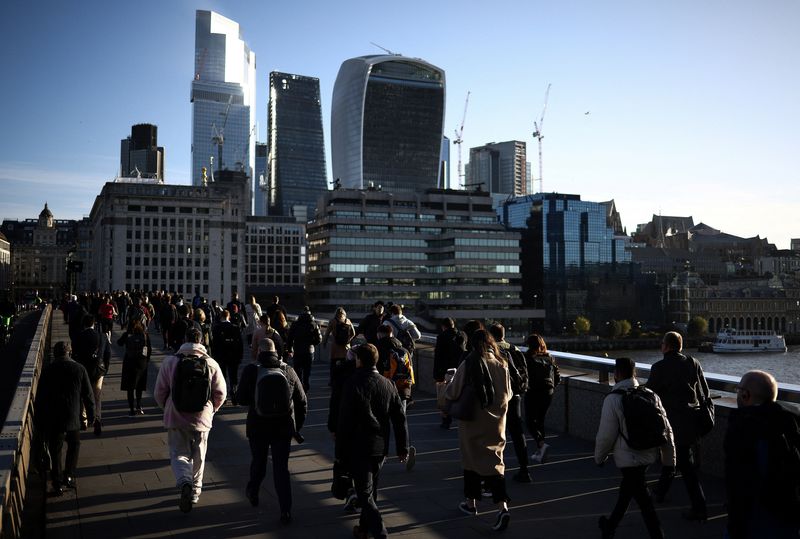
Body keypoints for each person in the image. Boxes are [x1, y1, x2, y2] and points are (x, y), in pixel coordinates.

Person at [595, 357, 674, 539]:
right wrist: (670, 460)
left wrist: (599, 458)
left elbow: (606, 435)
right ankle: (610, 526)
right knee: (629, 491)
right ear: (634, 373)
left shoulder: (613, 399)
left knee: (643, 500)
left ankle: (657, 535)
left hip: (628, 458)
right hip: (648, 452)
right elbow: (666, 428)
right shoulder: (650, 395)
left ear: (617, 374)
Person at [336, 344, 409, 539]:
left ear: (359, 360)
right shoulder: (388, 384)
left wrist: (340, 452)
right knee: (370, 489)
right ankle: (363, 529)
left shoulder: (352, 383)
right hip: (380, 447)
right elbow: (399, 419)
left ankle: (380, 531)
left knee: (364, 494)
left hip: (358, 446)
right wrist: (402, 447)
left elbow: (344, 421)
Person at [444, 329, 512, 531]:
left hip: (472, 421)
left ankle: (471, 503)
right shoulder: (502, 364)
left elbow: (453, 392)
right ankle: (502, 508)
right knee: (495, 464)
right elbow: (508, 394)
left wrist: (448, 381)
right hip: (497, 422)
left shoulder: (470, 362)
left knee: (470, 462)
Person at [154, 327, 226, 512]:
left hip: (176, 416)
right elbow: (221, 393)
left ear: (184, 339)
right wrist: (212, 409)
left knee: (178, 453)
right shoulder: (211, 363)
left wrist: (168, 407)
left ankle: (184, 481)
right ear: (201, 340)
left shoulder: (170, 362)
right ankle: (195, 490)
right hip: (202, 417)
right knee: (199, 455)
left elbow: (159, 391)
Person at [236, 338, 307, 525]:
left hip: (258, 426)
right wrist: (296, 427)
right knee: (281, 469)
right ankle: (286, 510)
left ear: (259, 350)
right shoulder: (288, 370)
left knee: (258, 462)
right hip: (283, 428)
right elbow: (302, 401)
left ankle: (253, 491)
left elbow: (241, 399)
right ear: (276, 350)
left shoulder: (252, 370)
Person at [724, 370, 800, 539]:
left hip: (758, 517)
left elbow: (739, 484)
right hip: (789, 514)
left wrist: (735, 526)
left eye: (738, 390)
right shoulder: (789, 423)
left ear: (746, 395)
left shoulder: (743, 429)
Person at [646, 331, 709, 521]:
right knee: (676, 458)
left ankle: (700, 507)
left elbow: (650, 394)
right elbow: (704, 391)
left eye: (662, 343)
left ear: (666, 346)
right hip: (691, 420)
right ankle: (660, 492)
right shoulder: (693, 362)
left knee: (684, 465)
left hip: (672, 422)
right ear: (680, 346)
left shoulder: (659, 367)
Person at [35, 341, 95, 495]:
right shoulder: (79, 369)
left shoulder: (48, 370)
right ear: (69, 352)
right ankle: (69, 476)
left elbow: (40, 398)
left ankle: (57, 482)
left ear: (55, 354)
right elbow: (88, 395)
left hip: (54, 417)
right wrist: (91, 415)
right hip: (72, 416)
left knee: (56, 450)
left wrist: (39, 420)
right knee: (74, 445)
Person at [489, 323, 531, 483]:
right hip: (516, 395)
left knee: (495, 433)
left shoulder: (491, 351)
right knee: (517, 431)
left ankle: (495, 469)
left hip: (498, 396)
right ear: (503, 334)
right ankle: (524, 468)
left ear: (491, 335)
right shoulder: (515, 349)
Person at [524, 334, 560, 464]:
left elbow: (523, 375)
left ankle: (541, 444)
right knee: (540, 420)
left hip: (533, 391)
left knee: (529, 420)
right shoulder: (549, 357)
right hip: (547, 392)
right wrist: (551, 388)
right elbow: (557, 376)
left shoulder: (527, 357)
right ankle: (540, 450)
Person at [72, 313, 110, 436]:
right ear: (94, 324)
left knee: (83, 394)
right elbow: (107, 354)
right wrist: (105, 369)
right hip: (98, 370)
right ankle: (97, 418)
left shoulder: (78, 336)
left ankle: (84, 419)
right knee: (97, 395)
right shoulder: (102, 336)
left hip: (83, 369)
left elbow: (74, 354)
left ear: (84, 324)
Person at [434, 318, 467, 430]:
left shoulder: (442, 337)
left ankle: (446, 420)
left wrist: (437, 374)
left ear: (444, 326)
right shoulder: (462, 335)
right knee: (460, 394)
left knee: (445, 396)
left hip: (446, 370)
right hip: (460, 369)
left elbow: (438, 357)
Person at [118, 321, 152, 415]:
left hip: (129, 362)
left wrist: (126, 334)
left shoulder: (128, 335)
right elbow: (149, 350)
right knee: (139, 387)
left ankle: (131, 409)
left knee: (130, 387)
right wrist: (146, 361)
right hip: (141, 363)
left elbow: (119, 343)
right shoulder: (145, 335)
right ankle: (139, 406)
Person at [285, 306, 322, 392]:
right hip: (309, 351)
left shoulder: (295, 324)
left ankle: (299, 386)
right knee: (307, 371)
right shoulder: (314, 324)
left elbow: (290, 338)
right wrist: (312, 343)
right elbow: (319, 339)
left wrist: (290, 349)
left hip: (297, 350)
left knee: (298, 370)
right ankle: (306, 386)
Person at [212, 309, 244, 403]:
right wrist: (240, 355)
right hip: (233, 356)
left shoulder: (217, 328)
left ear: (221, 317)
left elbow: (214, 344)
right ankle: (234, 395)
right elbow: (240, 344)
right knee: (233, 376)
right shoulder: (235, 327)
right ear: (229, 316)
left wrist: (214, 355)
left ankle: (224, 396)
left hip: (221, 356)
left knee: (222, 376)